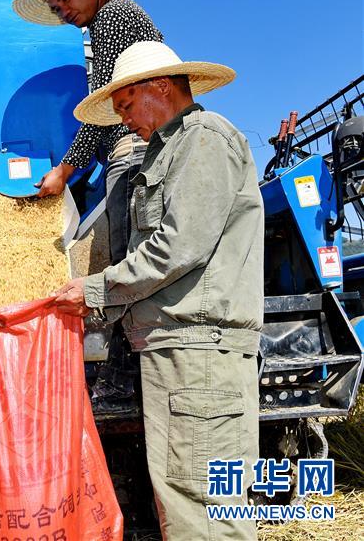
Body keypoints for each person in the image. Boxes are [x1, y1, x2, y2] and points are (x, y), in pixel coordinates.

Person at [54, 41, 263, 540]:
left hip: (198, 353)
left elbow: (176, 247)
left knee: (203, 507)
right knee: (187, 498)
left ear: (161, 87)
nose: (124, 121)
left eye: (126, 106)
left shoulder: (204, 140)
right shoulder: (169, 149)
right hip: (182, 353)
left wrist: (95, 289)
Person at [13, 0, 164, 408]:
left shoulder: (113, 16)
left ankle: (125, 377)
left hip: (134, 150)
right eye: (55, 6)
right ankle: (130, 371)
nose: (63, 9)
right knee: (129, 257)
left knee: (127, 261)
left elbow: (105, 111)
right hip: (131, 148)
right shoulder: (106, 24)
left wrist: (63, 169)